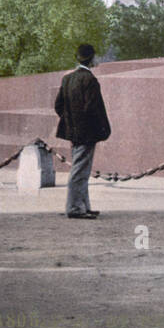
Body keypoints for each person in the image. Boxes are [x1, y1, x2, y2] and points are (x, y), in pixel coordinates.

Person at [54, 44, 111, 220]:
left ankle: (83, 205)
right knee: (80, 171)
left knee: (81, 170)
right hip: (87, 133)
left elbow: (58, 106)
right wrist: (102, 130)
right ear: (91, 58)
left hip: (73, 132)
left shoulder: (67, 79)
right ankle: (74, 207)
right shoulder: (90, 80)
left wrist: (70, 123)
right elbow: (94, 108)